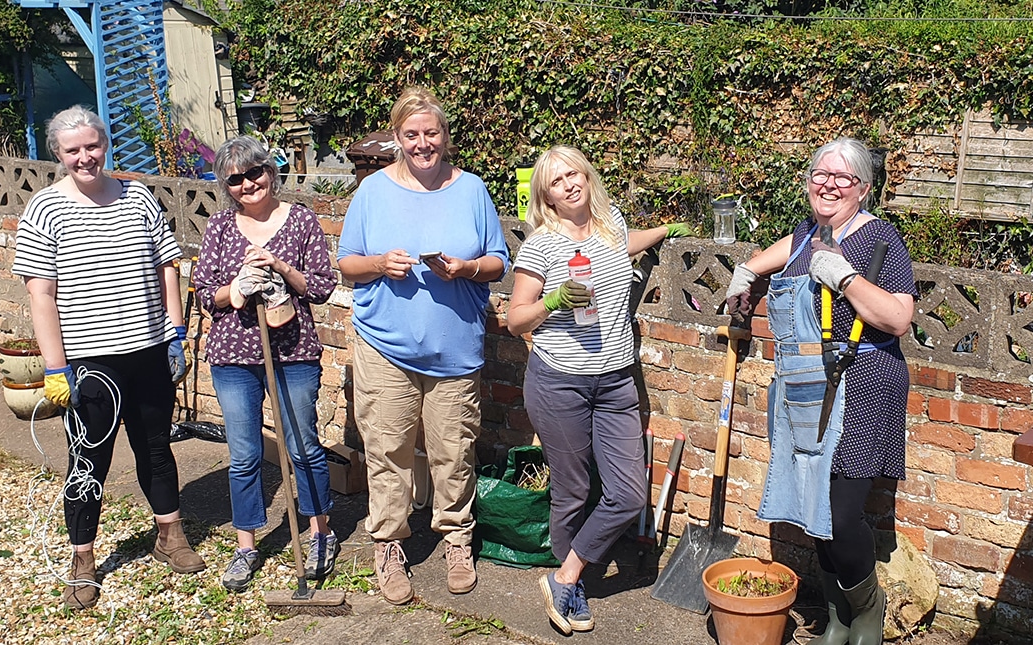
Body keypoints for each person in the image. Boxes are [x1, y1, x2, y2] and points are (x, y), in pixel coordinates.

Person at [12, 105, 206, 610]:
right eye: (73, 150)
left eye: (92, 146)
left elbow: (169, 266)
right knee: (87, 463)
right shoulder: (44, 210)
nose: (85, 157)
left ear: (105, 145)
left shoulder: (138, 196)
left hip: (148, 352)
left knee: (157, 449)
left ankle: (170, 535)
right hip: (88, 364)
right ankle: (83, 558)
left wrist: (175, 333)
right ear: (58, 154)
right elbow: (42, 296)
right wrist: (56, 368)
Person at [724, 137, 916, 645]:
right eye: (819, 175)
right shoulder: (809, 232)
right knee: (814, 506)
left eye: (843, 178)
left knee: (843, 511)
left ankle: (867, 610)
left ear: (864, 189)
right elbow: (774, 258)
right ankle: (837, 617)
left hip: (862, 390)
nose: (829, 184)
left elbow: (898, 318)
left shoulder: (881, 240)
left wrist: (847, 278)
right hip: (808, 390)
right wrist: (747, 272)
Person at [505, 145, 692, 634]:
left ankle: (565, 575)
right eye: (556, 181)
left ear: (588, 177)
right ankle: (574, 586)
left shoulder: (611, 225)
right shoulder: (541, 246)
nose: (569, 184)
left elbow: (627, 244)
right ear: (545, 196)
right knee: (572, 491)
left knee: (629, 495)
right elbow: (514, 319)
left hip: (614, 380)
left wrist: (668, 232)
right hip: (558, 380)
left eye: (574, 174)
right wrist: (555, 298)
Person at [337, 86, 510, 604]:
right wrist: (378, 264)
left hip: (455, 350)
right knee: (386, 450)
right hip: (385, 346)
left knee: (453, 450)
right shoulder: (371, 193)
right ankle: (388, 544)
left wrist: (467, 268)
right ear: (397, 138)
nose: (421, 143)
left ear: (445, 136)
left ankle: (457, 536)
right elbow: (346, 263)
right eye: (410, 135)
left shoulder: (473, 189)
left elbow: (499, 261)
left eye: (430, 133)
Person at [193, 135, 340, 592]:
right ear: (226, 186)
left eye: (254, 173)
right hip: (234, 358)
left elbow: (321, 287)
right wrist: (234, 288)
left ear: (270, 173)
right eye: (235, 179)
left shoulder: (300, 223)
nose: (247, 184)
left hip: (292, 352)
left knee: (303, 448)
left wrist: (279, 266)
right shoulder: (219, 228)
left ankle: (320, 534)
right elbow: (203, 293)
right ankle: (246, 544)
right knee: (244, 455)